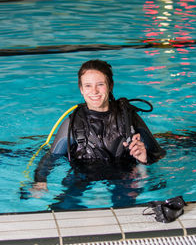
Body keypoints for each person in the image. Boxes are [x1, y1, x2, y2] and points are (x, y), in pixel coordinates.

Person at [33, 59, 165, 192]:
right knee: (65, 206)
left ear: (110, 86)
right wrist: (40, 180)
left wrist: (145, 159)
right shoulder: (72, 124)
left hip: (123, 174)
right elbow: (51, 157)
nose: (94, 91)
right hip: (83, 174)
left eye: (100, 84)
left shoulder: (129, 117)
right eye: (88, 86)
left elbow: (158, 153)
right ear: (81, 90)